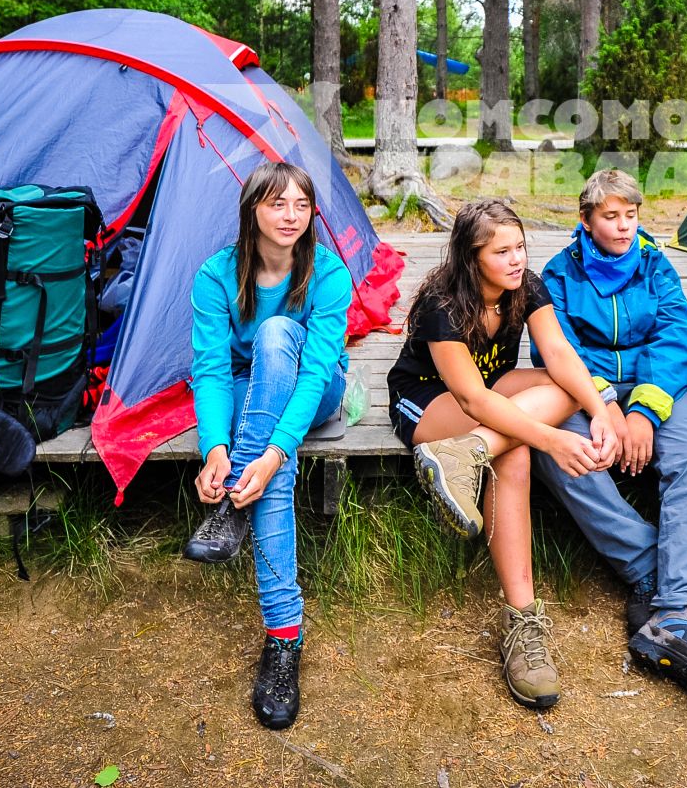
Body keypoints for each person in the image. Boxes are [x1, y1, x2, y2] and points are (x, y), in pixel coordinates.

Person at [391, 199, 621, 710]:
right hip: (430, 400)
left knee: (565, 387)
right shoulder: (441, 304)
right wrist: (553, 439)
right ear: (472, 260)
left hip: (488, 394)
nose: (517, 260)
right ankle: (524, 620)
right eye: (502, 252)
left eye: (520, 247)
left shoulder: (526, 286)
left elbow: (559, 355)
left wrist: (601, 410)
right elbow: (472, 398)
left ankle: (469, 454)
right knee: (517, 450)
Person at [531, 169, 687, 706]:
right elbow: (554, 349)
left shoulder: (655, 264)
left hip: (658, 385)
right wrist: (604, 404)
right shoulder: (558, 275)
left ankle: (676, 614)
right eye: (611, 216)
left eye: (631, 215)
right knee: (562, 453)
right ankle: (650, 568)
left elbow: (676, 335)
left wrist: (645, 413)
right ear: (586, 221)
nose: (625, 227)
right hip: (585, 391)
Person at [185, 161, 354, 731]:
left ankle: (233, 507)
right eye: (277, 203)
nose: (290, 216)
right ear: (252, 210)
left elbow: (315, 374)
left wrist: (274, 450)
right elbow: (209, 371)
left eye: (301, 205)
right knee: (263, 458)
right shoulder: (216, 276)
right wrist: (214, 448)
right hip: (245, 387)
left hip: (317, 385)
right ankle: (285, 638)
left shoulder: (328, 274)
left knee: (278, 334)